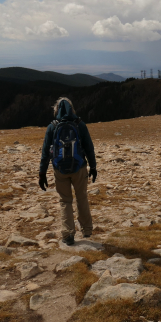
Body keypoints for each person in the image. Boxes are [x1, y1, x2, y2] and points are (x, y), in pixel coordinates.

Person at [38, 98, 98, 246]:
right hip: (79, 167)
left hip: (60, 170)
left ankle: (68, 234)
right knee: (81, 197)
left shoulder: (52, 127)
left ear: (56, 110)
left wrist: (42, 173)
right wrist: (93, 167)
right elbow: (89, 148)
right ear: (72, 109)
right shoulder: (80, 125)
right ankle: (87, 230)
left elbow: (46, 152)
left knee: (65, 200)